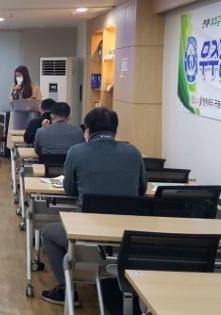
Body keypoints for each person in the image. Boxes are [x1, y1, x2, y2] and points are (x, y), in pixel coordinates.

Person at [40, 107, 147, 306]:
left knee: (48, 233)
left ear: (87, 130)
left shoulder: (76, 152)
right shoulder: (133, 152)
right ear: (115, 130)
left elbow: (70, 189)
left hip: (87, 237)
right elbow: (142, 189)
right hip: (127, 239)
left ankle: (66, 290)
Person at [7, 65, 42, 148]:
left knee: (30, 135)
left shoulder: (34, 86)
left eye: (19, 75)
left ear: (25, 75)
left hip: (32, 115)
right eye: (16, 75)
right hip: (18, 115)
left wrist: (29, 101)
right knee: (17, 138)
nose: (17, 77)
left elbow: (39, 102)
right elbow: (11, 103)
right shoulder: (14, 87)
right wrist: (15, 91)